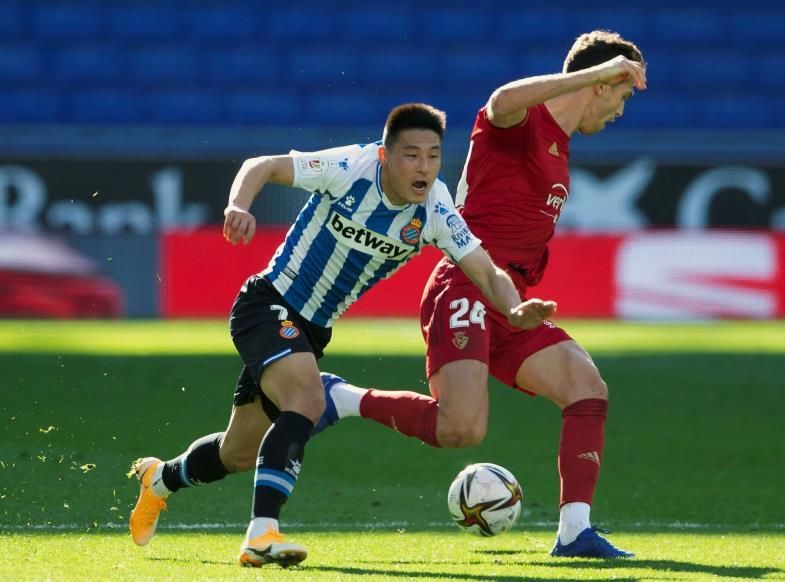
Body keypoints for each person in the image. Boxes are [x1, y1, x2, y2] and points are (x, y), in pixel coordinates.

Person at [127, 103, 556, 568]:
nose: (424, 167)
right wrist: (237, 205)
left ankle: (161, 480)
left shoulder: (435, 208)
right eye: (411, 155)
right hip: (268, 304)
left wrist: (514, 308)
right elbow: (263, 165)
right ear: (385, 156)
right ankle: (261, 535)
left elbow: (485, 270)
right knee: (308, 402)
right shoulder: (350, 167)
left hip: (311, 332)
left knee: (238, 453)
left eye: (433, 156)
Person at [318, 30, 647, 559]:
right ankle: (341, 399)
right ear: (603, 85)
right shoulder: (523, 122)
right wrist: (593, 72)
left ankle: (574, 532)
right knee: (461, 429)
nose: (620, 112)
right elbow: (500, 101)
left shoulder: (559, 148)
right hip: (466, 287)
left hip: (512, 302)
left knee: (587, 385)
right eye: (622, 95)